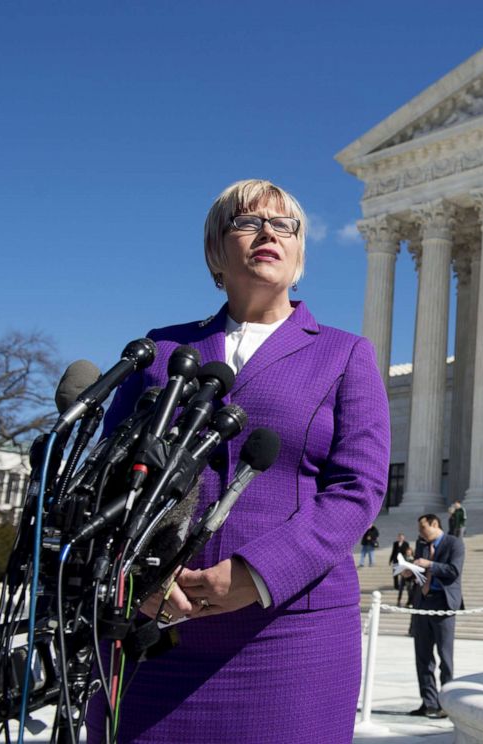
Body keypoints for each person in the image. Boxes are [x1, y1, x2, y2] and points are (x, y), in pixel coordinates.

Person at [86, 179, 391, 744]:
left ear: (300, 255)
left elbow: (359, 488)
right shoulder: (160, 351)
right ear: (215, 251)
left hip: (289, 635)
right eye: (248, 223)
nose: (268, 234)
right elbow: (109, 479)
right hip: (155, 633)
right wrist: (141, 578)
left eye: (285, 226)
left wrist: (258, 574)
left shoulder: (345, 353)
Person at [408, 513, 465, 719]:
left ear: (435, 524)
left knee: (445, 656)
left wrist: (429, 564)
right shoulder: (422, 544)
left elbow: (453, 570)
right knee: (422, 657)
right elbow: (420, 570)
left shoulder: (454, 543)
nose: (420, 533)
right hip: (422, 602)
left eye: (423, 528)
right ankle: (428, 703)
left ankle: (447, 704)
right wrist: (410, 571)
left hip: (443, 603)